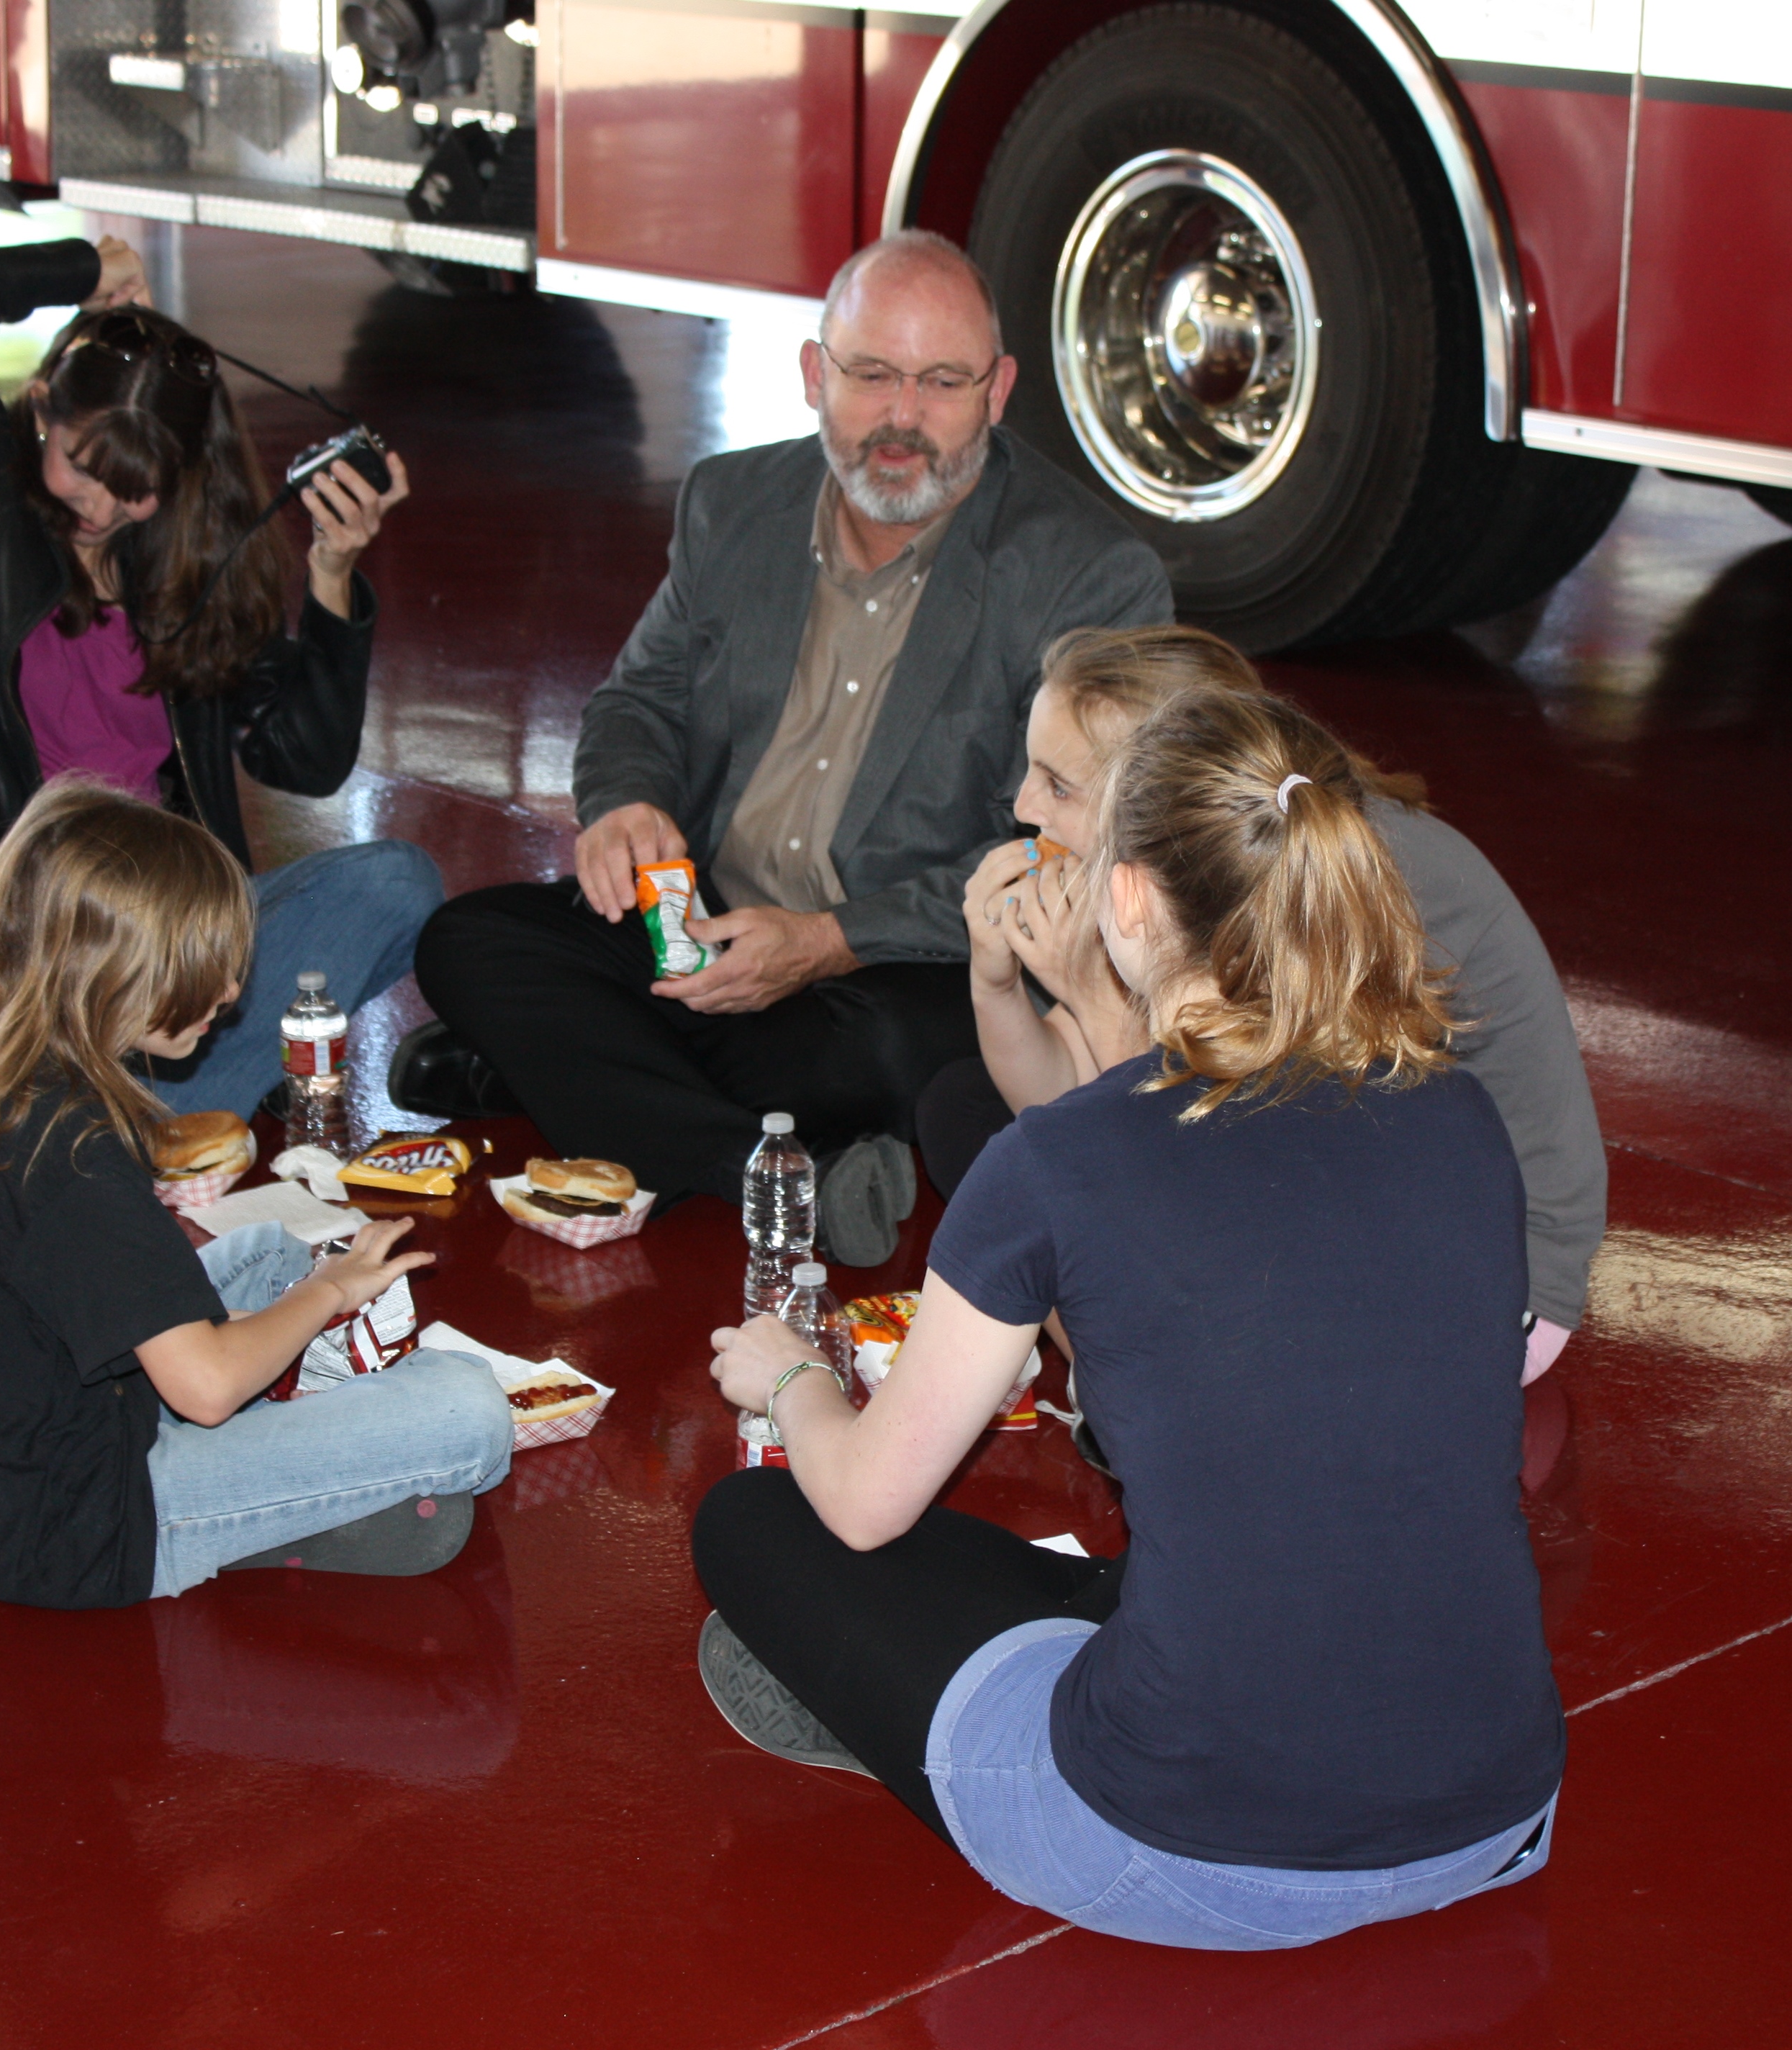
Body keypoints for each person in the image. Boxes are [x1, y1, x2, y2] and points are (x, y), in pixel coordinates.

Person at [693, 685, 1564, 1949]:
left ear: (1131, 899)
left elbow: (868, 1503)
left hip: (1180, 1851)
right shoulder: (1455, 1110)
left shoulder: (1054, 1164)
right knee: (1202, 1549)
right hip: (1494, 1816)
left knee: (754, 1523)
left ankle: (938, 1733)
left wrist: (791, 1379)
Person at [398, 230, 1170, 1264]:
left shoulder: (1089, 574)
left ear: (998, 391)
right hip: (711, 922)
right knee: (467, 939)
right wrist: (626, 801)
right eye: (871, 373)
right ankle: (765, 1169)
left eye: (943, 382)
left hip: (892, 963)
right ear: (814, 374)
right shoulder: (732, 504)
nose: (903, 417)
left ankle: (576, 1077)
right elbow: (638, 701)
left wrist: (828, 940)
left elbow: (1061, 852)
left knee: (897, 1060)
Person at [0, 233, 440, 1116]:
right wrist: (85, 271)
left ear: (180, 475)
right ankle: (140, 1099)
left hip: (140, 947)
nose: (99, 506)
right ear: (43, 408)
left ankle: (80, 1104)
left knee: (397, 883)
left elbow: (303, 759)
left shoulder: (191, 569)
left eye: (137, 487)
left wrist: (331, 577)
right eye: (84, 467)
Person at [0, 780, 513, 1609]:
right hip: (74, 1526)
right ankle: (276, 1507)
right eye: (207, 965)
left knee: (272, 1250)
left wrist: (306, 1288)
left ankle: (302, 1449)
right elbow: (203, 1391)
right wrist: (327, 1294)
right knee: (467, 1412)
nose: (231, 992)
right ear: (117, 972)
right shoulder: (69, 1152)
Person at [917, 626, 1604, 1381]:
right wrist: (994, 983)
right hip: (1339, 1183)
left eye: (1058, 787)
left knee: (1092, 1196)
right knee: (965, 1107)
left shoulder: (1312, 878)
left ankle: (1137, 1386)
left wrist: (1092, 998)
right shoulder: (1202, 861)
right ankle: (1127, 1371)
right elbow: (1058, 1105)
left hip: (1485, 1285)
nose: (1023, 807)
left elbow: (1193, 1159)